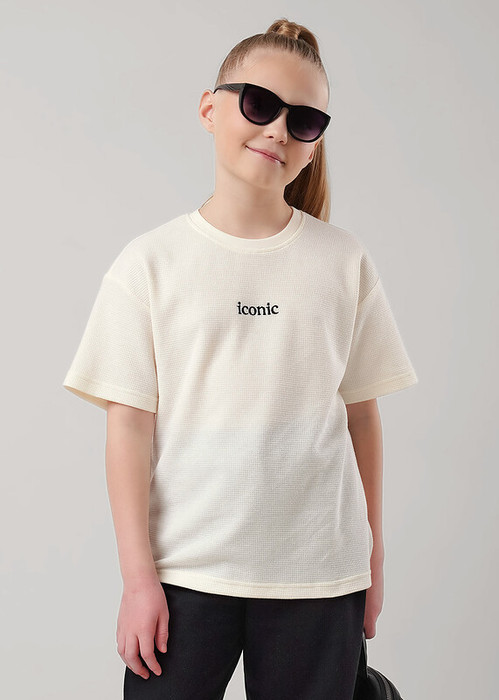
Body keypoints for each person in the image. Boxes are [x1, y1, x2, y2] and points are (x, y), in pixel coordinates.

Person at [62, 17, 418, 700]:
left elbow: (361, 418)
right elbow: (128, 428)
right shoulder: (150, 264)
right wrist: (138, 581)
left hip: (319, 575)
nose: (278, 130)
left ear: (315, 142)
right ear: (209, 109)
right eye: (259, 104)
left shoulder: (342, 262)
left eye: (303, 120)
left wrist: (371, 559)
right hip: (186, 573)